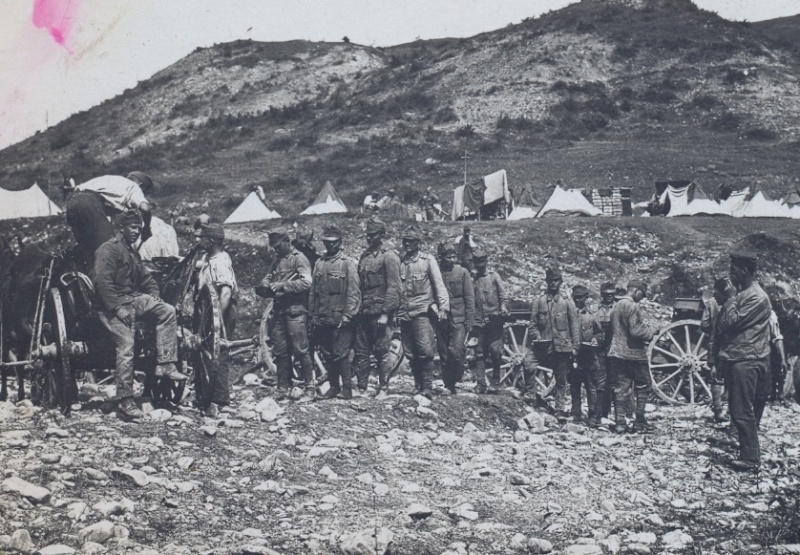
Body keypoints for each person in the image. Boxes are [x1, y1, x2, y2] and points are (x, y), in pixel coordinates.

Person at [94, 209, 188, 419]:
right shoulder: (108, 250)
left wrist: (155, 297)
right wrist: (117, 308)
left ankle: (166, 364)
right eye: (133, 227)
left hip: (132, 299)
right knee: (126, 345)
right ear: (121, 228)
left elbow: (147, 279)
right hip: (111, 306)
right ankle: (125, 399)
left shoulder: (131, 252)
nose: (136, 231)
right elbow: (102, 282)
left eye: (138, 228)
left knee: (167, 310)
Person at [716, 251, 773, 472]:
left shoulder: (757, 297)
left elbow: (730, 323)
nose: (731, 274)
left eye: (734, 270)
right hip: (743, 358)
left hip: (747, 360)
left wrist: (730, 298)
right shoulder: (746, 294)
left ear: (745, 271)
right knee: (744, 410)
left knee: (741, 410)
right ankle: (747, 450)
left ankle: (750, 459)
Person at [256, 228, 315, 400]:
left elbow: (307, 282)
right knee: (280, 350)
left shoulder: (299, 259)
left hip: (295, 311)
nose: (275, 249)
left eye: (278, 245)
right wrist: (265, 285)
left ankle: (310, 388)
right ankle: (283, 387)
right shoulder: (277, 261)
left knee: (300, 349)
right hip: (278, 311)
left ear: (287, 242)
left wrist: (283, 286)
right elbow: (268, 276)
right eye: (273, 246)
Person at [309, 225, 361, 400]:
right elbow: (313, 292)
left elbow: (354, 292)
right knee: (328, 354)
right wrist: (312, 315)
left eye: (334, 242)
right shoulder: (320, 263)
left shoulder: (347, 264)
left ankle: (347, 388)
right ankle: (333, 387)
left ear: (340, 242)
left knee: (341, 354)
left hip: (341, 318)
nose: (330, 245)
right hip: (323, 318)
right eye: (327, 242)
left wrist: (348, 315)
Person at [397, 225, 449, 399]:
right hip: (404, 312)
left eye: (411, 241)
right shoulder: (401, 262)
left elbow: (438, 284)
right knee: (410, 351)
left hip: (422, 311)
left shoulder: (427, 261)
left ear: (418, 242)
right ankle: (417, 384)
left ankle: (427, 386)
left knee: (425, 350)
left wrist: (443, 307)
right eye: (405, 241)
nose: (407, 244)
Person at [354, 217, 402, 398]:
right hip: (364, 311)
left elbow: (394, 288)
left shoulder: (389, 257)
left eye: (373, 235)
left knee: (382, 351)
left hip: (380, 313)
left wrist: (386, 313)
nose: (369, 238)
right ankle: (362, 388)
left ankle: (383, 388)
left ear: (382, 236)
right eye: (368, 235)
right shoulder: (365, 257)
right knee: (361, 351)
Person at [65, 173, 156, 261]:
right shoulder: (134, 187)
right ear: (141, 186)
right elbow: (145, 208)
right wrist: (146, 228)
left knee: (88, 249)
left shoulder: (114, 182)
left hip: (72, 202)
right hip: (89, 203)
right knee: (110, 248)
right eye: (144, 193)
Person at [526, 264, 579, 414]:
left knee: (561, 379)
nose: (553, 283)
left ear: (560, 282)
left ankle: (559, 408)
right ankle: (530, 397)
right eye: (551, 280)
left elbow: (574, 326)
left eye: (556, 280)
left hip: (561, 347)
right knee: (528, 364)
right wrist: (537, 336)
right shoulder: (539, 302)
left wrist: (575, 347)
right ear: (547, 282)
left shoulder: (567, 302)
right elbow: (532, 325)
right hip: (542, 347)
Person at [607, 279, 657, 433]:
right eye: (642, 294)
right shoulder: (633, 306)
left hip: (617, 353)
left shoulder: (616, 306)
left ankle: (620, 423)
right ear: (636, 291)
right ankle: (639, 421)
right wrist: (652, 332)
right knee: (643, 386)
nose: (641, 298)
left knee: (620, 388)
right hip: (634, 354)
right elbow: (636, 331)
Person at [437, 242, 475, 395]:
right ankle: (449, 385)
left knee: (455, 350)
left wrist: (469, 321)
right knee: (444, 353)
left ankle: (456, 377)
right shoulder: (436, 273)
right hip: (441, 319)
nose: (452, 260)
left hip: (459, 318)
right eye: (448, 257)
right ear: (441, 258)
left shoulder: (462, 272)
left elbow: (469, 297)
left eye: (454, 257)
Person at [472, 249, 508, 394]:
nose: (480, 267)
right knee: (479, 353)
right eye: (477, 264)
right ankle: (481, 383)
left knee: (496, 352)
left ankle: (496, 382)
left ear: (486, 262)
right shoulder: (473, 280)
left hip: (494, 321)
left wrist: (503, 308)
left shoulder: (494, 277)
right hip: (479, 322)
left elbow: (503, 297)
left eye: (482, 263)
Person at [571, 285, 605, 427]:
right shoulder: (569, 314)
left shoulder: (591, 316)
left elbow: (600, 333)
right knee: (574, 386)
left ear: (586, 298)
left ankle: (592, 415)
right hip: (573, 356)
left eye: (581, 297)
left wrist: (596, 339)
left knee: (591, 386)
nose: (578, 300)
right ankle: (576, 414)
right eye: (576, 297)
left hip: (588, 356)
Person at [197, 224, 238, 339]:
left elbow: (226, 293)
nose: (200, 241)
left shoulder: (221, 262)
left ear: (210, 241)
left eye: (203, 238)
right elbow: (205, 264)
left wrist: (217, 320)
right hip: (208, 309)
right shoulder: (209, 257)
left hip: (223, 309)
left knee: (218, 343)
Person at [766, 284, 800, 403]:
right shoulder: (776, 307)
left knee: (782, 366)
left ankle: (780, 392)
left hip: (789, 339)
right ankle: (775, 392)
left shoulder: (793, 305)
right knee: (776, 365)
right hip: (780, 338)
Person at [596, 282, 616, 422]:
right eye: (606, 294)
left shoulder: (618, 308)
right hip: (600, 349)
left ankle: (623, 415)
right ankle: (601, 414)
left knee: (616, 382)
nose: (609, 297)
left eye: (611, 294)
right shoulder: (596, 310)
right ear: (602, 295)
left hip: (615, 348)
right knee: (601, 382)